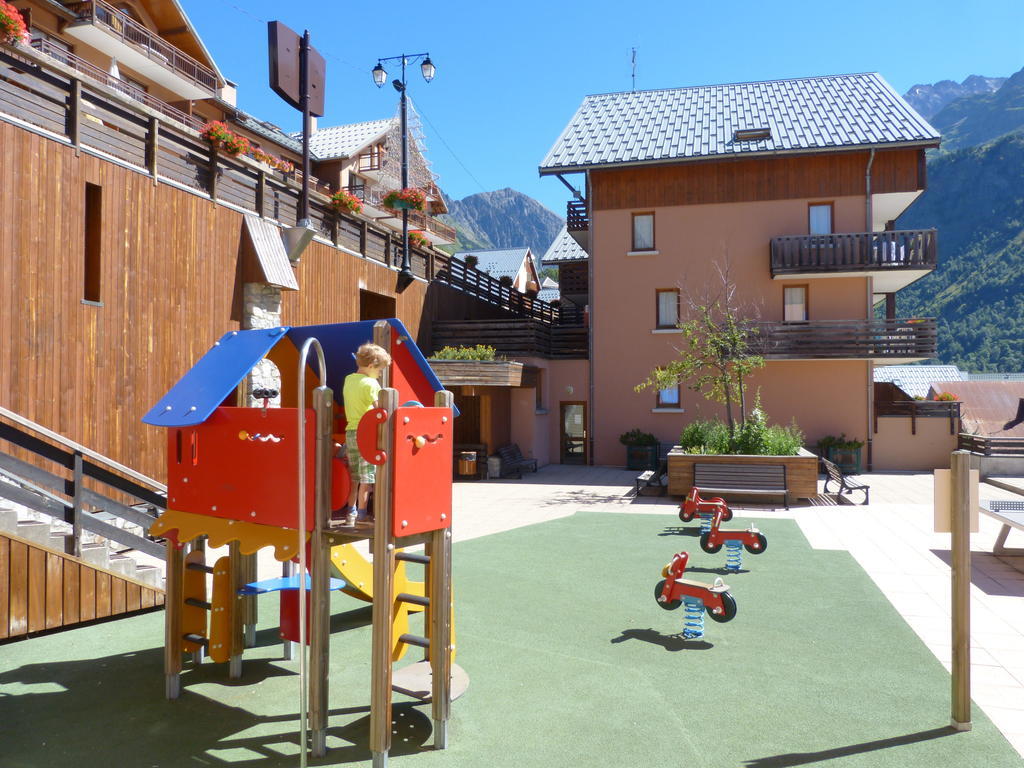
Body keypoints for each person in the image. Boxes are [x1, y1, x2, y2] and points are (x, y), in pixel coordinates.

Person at [339, 342, 391, 527]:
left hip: (350, 433)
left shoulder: (349, 380)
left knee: (355, 477)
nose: (380, 373)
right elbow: (380, 410)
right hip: (366, 433)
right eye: (379, 370)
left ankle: (350, 513)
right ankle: (362, 515)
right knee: (368, 478)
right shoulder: (371, 384)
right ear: (371, 366)